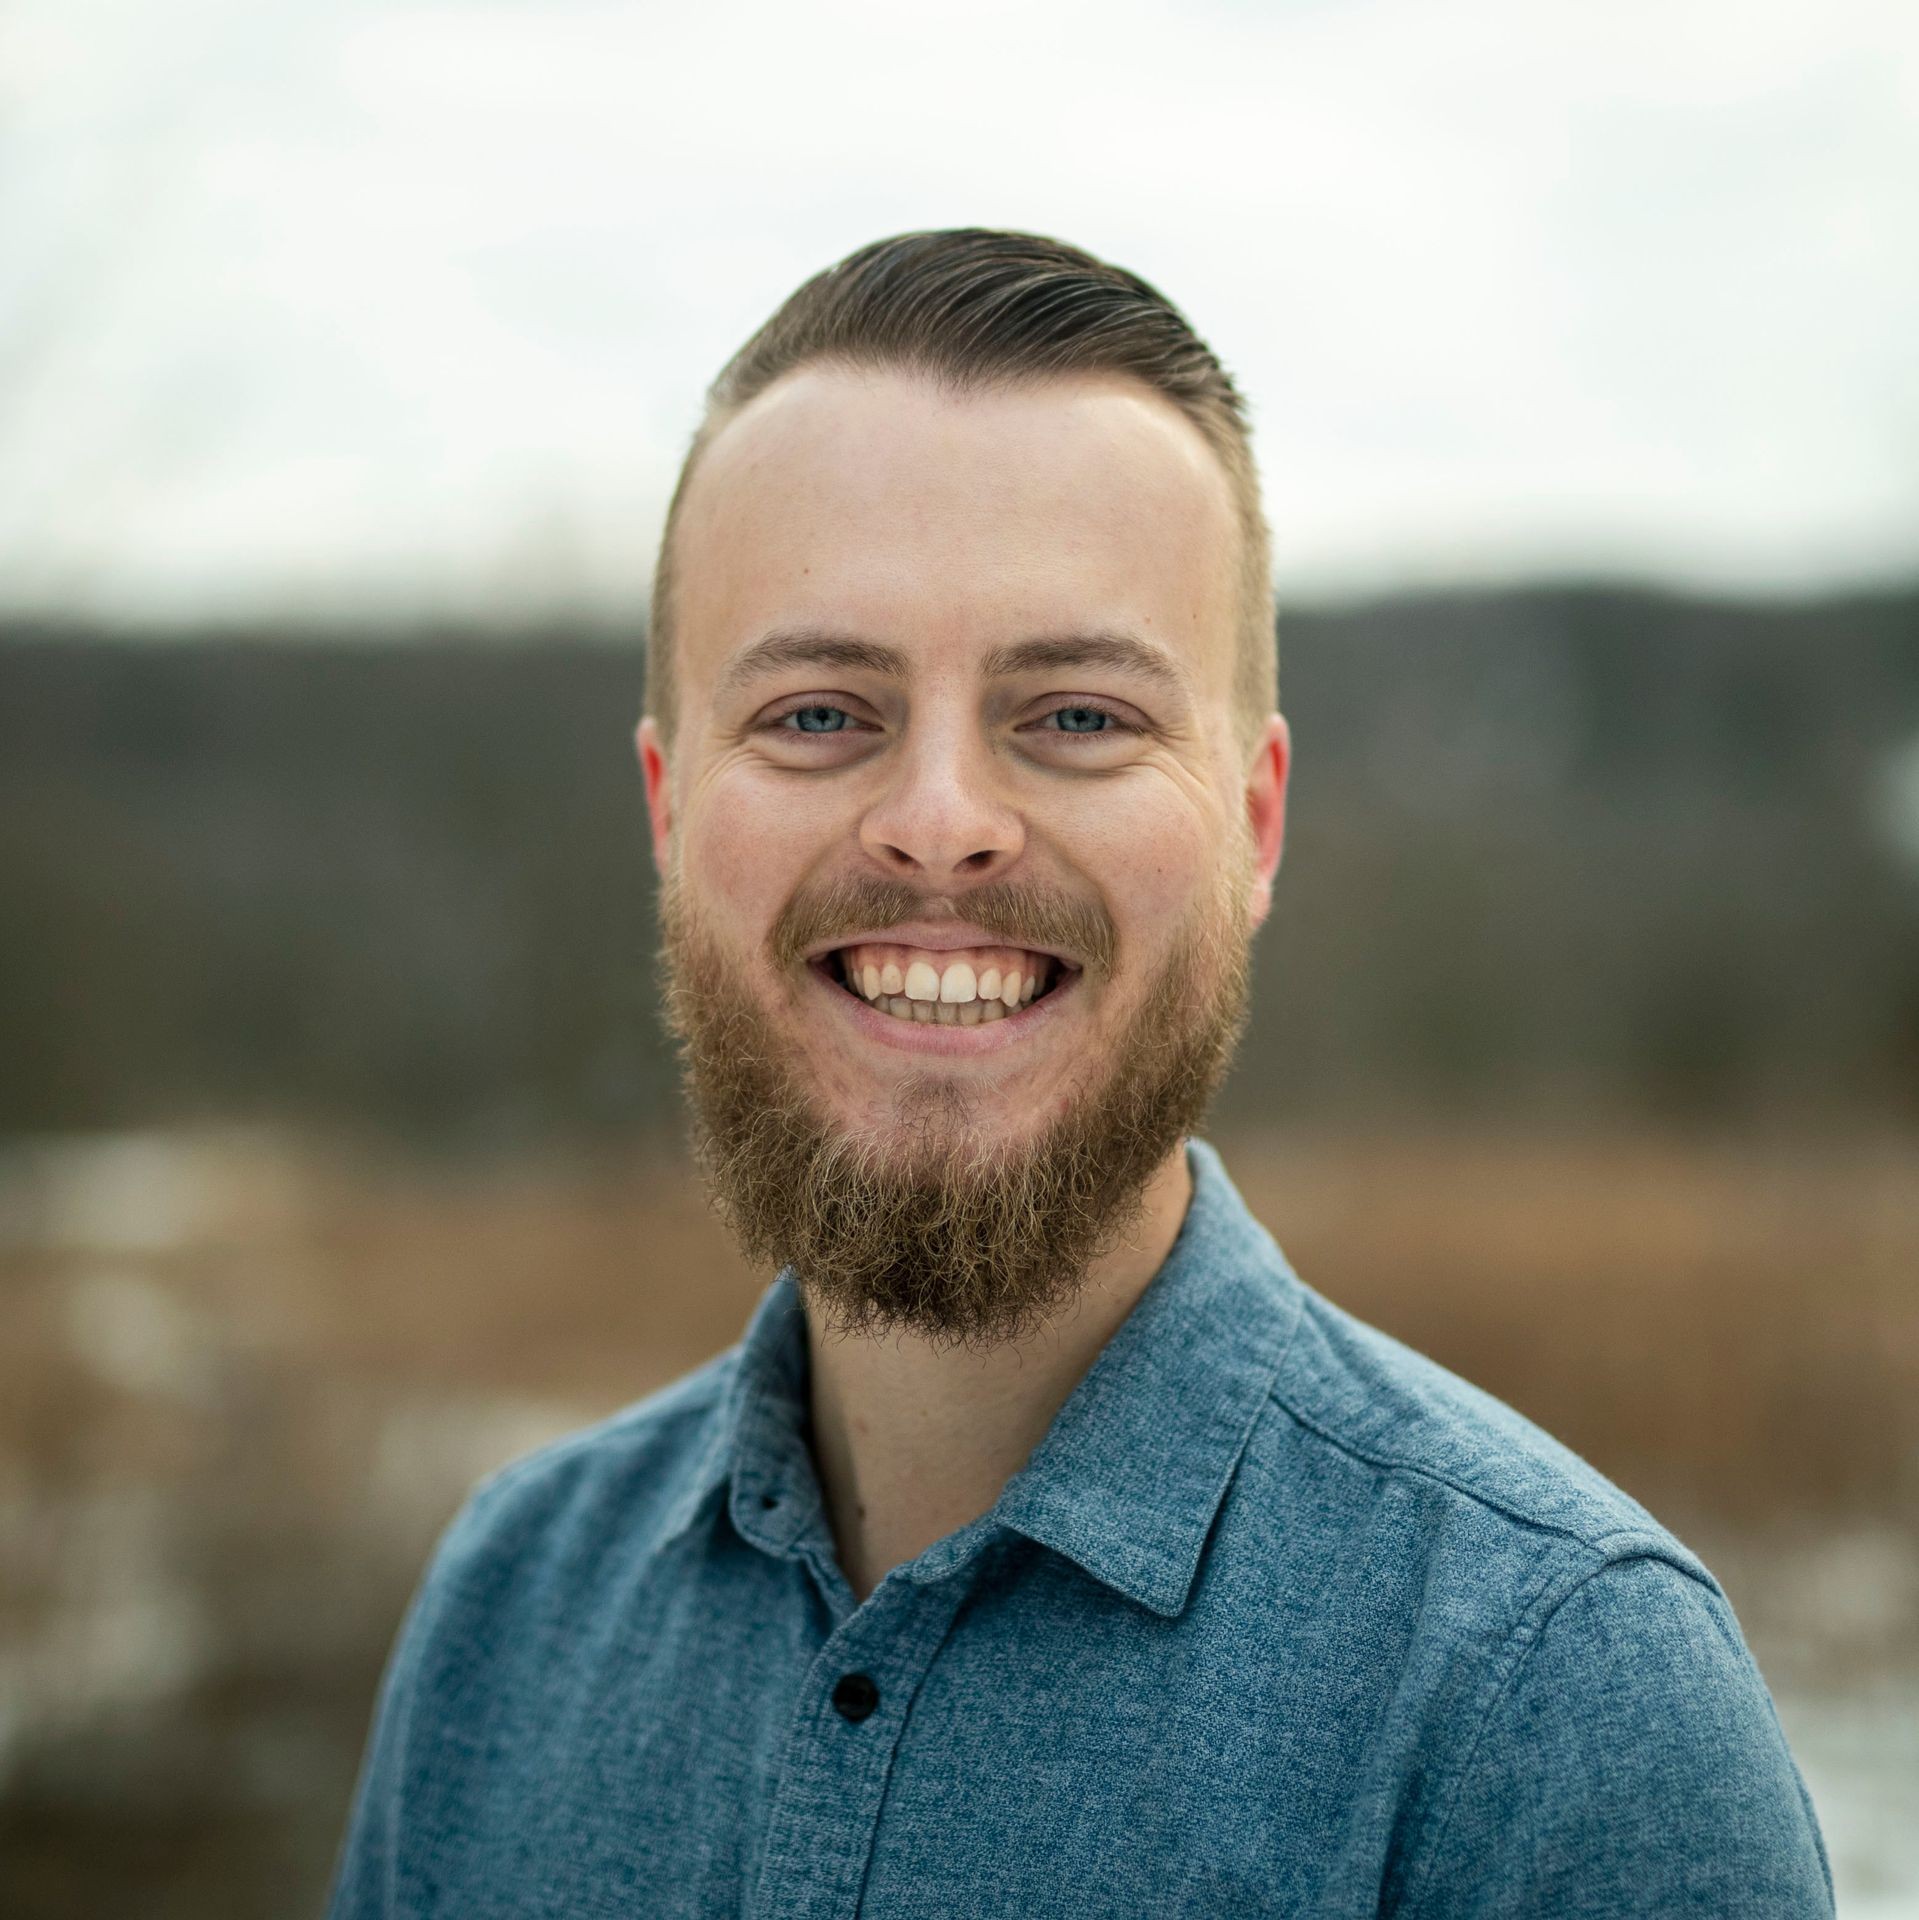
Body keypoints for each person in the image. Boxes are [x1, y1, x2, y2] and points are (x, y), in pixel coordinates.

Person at [325, 229, 1834, 1917]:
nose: (945, 822)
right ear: (669, 811)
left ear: (1254, 822)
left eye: (1081, 716)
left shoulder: (1563, 1713)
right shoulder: (509, 1613)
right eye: (823, 714)